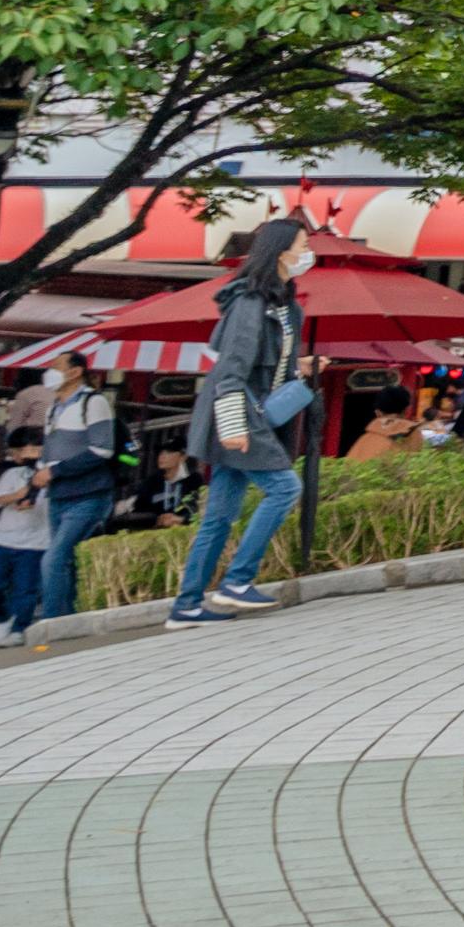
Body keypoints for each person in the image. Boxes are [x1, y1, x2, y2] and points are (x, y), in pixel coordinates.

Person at [172, 219, 317, 624]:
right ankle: (237, 581)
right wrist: (234, 426)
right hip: (238, 418)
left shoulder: (285, 305)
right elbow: (232, 369)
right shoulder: (251, 302)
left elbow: (268, 364)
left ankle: (186, 606)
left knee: (218, 516)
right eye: (303, 244)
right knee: (285, 487)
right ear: (281, 250)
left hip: (250, 416)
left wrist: (299, 367)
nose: (307, 253)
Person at [40, 366, 123, 610]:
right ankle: (68, 617)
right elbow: (48, 455)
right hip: (58, 494)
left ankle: (51, 621)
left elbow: (102, 449)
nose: (50, 371)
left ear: (75, 371)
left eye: (58, 365)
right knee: (66, 560)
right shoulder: (53, 408)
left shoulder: (93, 402)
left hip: (88, 494)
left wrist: (56, 471)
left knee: (54, 559)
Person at [0, 440, 58, 646]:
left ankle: (20, 627)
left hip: (36, 541)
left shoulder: (54, 475)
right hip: (5, 538)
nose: (31, 454)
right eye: (26, 450)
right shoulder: (12, 474)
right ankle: (3, 618)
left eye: (36, 449)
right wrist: (20, 494)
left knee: (25, 589)